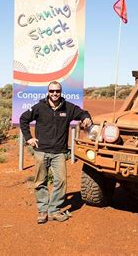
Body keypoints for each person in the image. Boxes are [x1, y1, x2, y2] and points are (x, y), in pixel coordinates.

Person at [20, 81, 92, 224]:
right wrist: (29, 138)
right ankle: (42, 210)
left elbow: (82, 113)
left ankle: (53, 210)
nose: (54, 94)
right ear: (48, 92)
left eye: (57, 91)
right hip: (41, 151)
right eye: (52, 91)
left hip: (59, 152)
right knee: (40, 181)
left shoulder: (68, 107)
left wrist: (86, 118)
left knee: (61, 181)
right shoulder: (40, 107)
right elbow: (23, 119)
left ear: (61, 92)